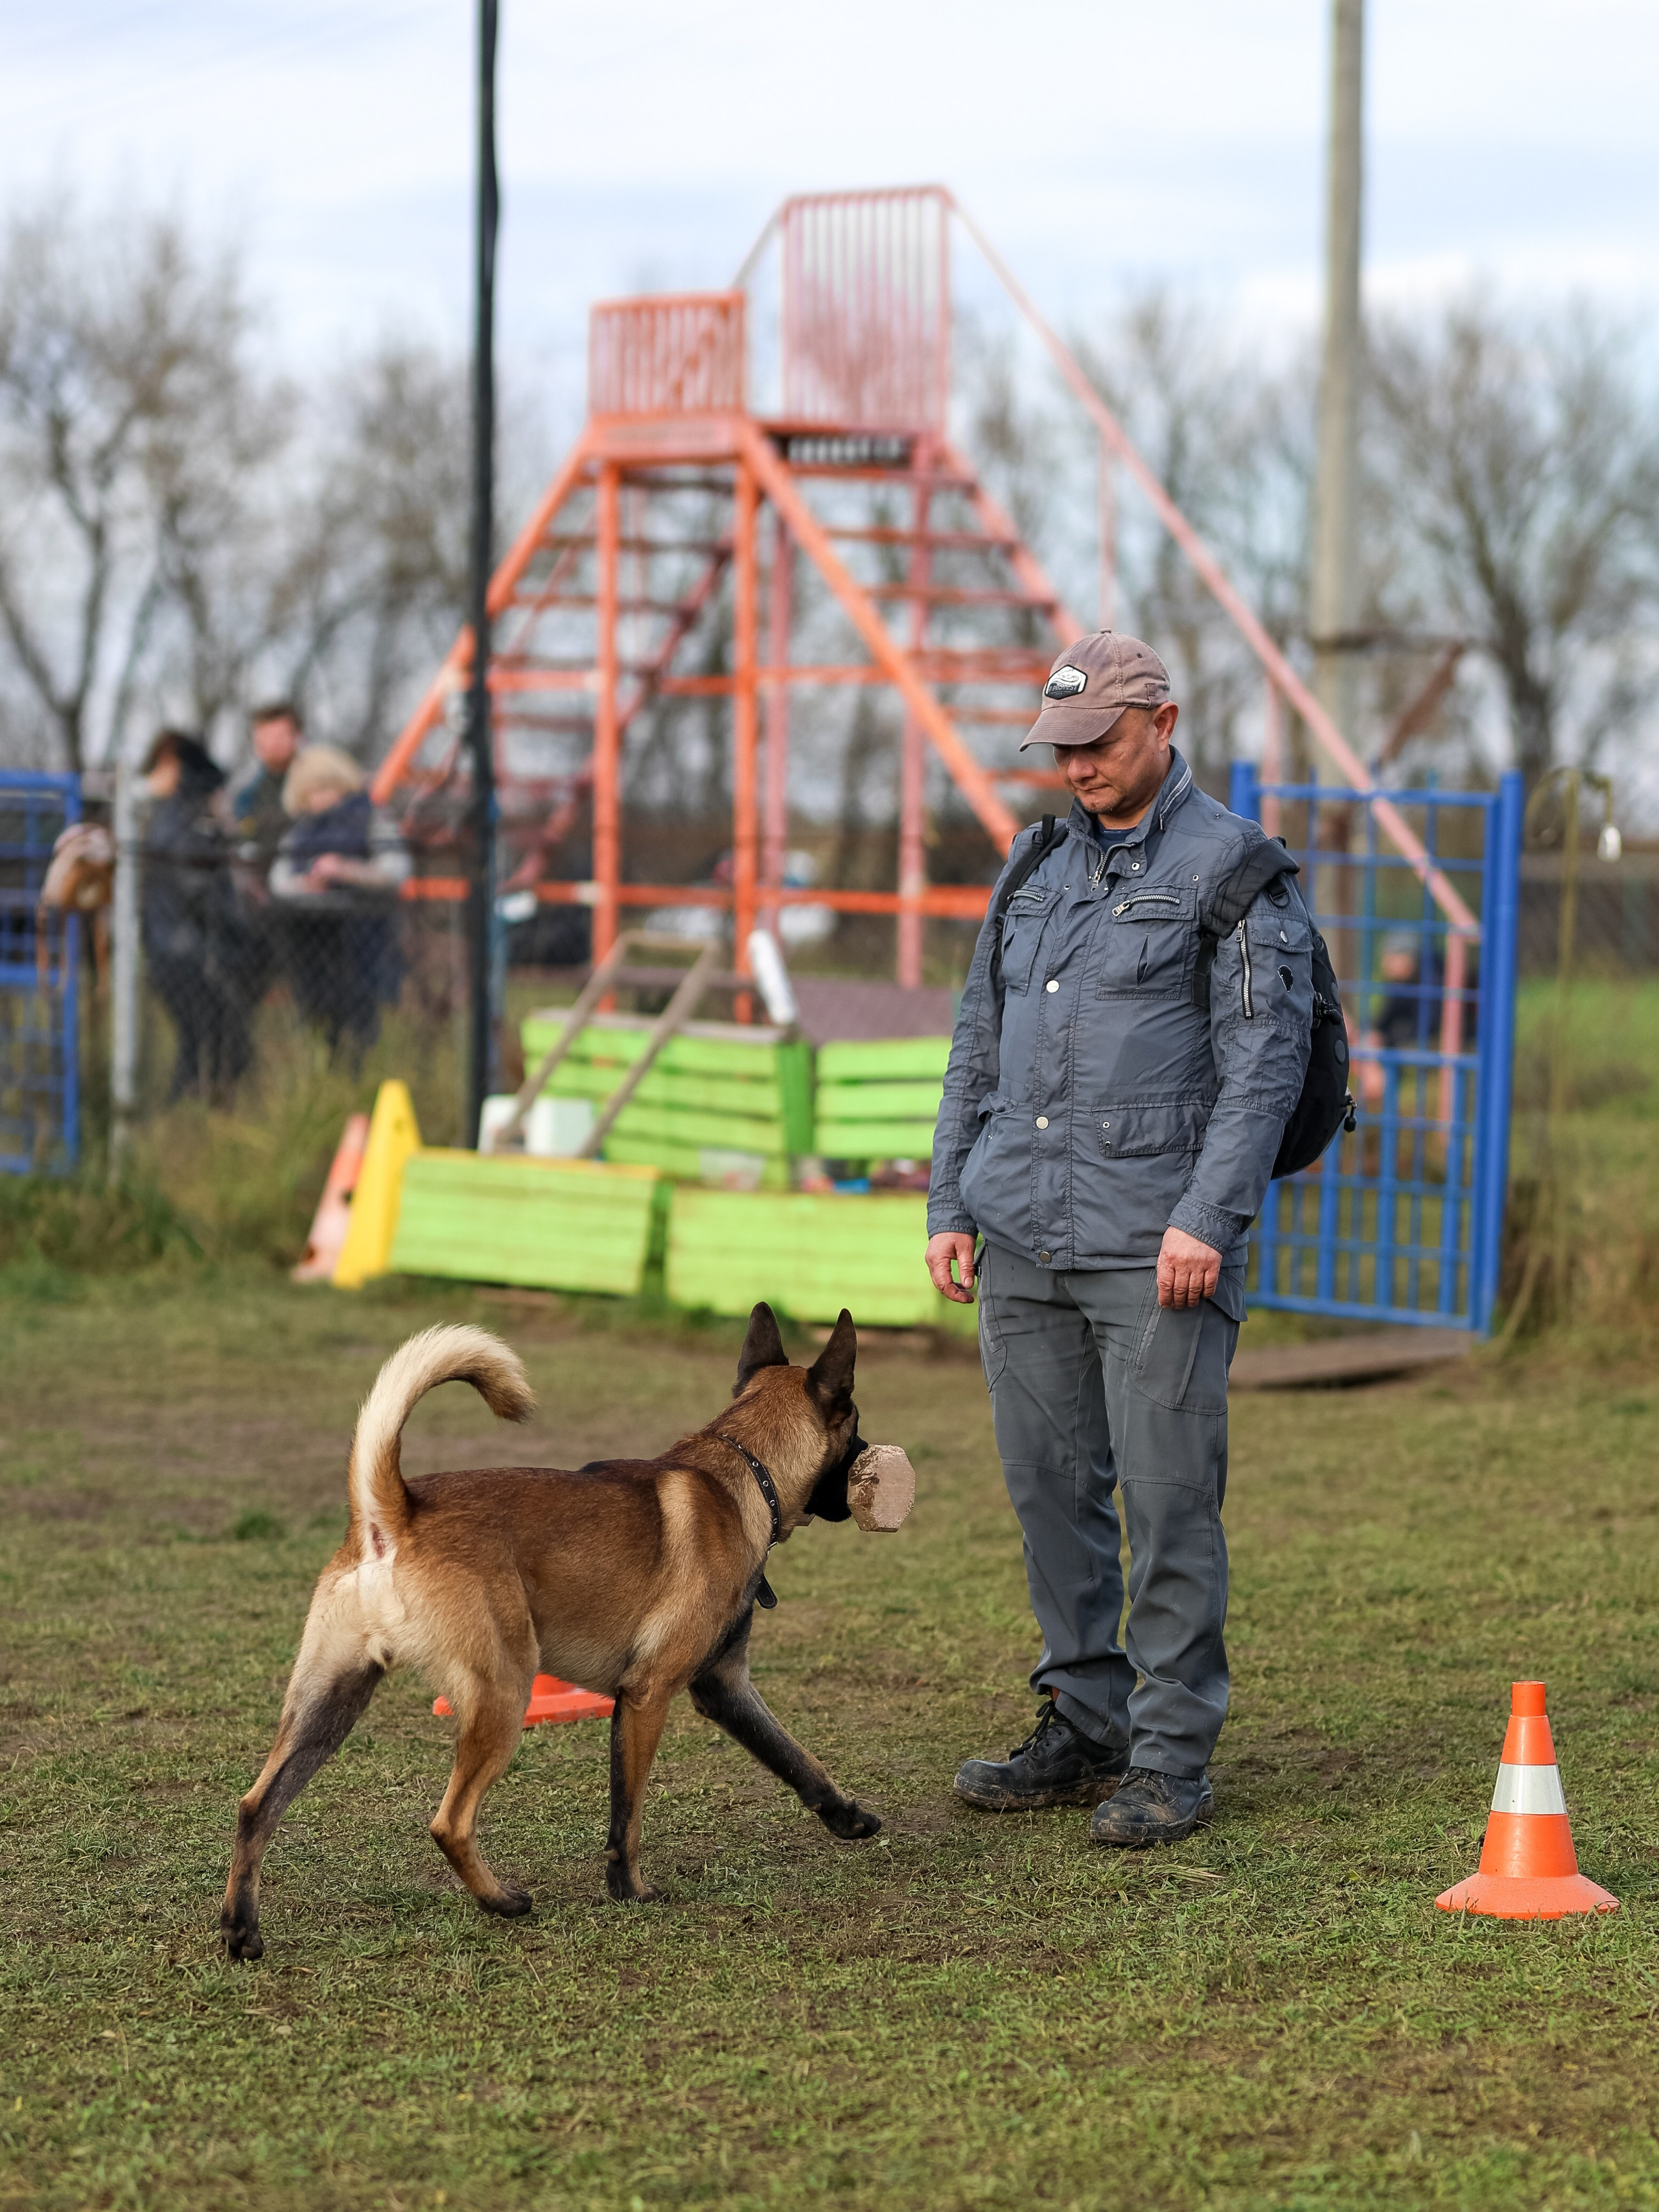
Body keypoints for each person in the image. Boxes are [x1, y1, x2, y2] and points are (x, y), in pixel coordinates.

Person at [925, 633, 1314, 1847]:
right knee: (1051, 1494)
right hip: (1024, 1231)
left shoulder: (1234, 870)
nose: (1078, 767)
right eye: (1060, 749)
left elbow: (1266, 1064)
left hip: (1158, 1246)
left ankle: (1172, 1755)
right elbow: (976, 1044)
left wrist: (1209, 1214)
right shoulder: (1031, 867)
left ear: (1163, 721)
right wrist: (951, 1200)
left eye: (1097, 742)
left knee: (1168, 1498)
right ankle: (1082, 1721)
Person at [270, 745, 409, 1056]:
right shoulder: (300, 832)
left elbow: (396, 870)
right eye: (310, 792)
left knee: (360, 1019)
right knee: (318, 1018)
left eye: (324, 788)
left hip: (362, 936)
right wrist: (306, 884)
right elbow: (279, 881)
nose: (318, 798)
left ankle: (359, 1070)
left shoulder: (372, 819)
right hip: (311, 939)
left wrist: (346, 870)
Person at [139, 730, 253, 1101]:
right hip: (189, 949)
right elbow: (199, 890)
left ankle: (193, 1110)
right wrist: (239, 932)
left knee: (204, 1039)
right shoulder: (185, 819)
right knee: (208, 1039)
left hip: (171, 945)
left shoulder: (170, 818)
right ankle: (190, 1108)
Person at [229, 702, 305, 883]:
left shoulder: (321, 785)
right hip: (259, 885)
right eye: (265, 736)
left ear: (298, 736)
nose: (273, 742)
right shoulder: (245, 792)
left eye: (280, 735)